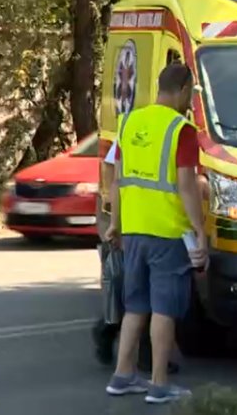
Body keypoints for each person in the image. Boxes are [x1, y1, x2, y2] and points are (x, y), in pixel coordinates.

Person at [103, 63, 207, 404]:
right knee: (164, 309)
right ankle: (159, 384)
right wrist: (199, 230)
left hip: (132, 229)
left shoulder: (129, 122)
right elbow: (187, 186)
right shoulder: (182, 129)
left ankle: (122, 376)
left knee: (135, 306)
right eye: (190, 92)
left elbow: (117, 179)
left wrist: (115, 223)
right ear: (182, 89)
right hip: (167, 231)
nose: (189, 99)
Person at [92, 140, 179, 375]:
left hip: (148, 221)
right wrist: (114, 221)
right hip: (131, 221)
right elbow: (112, 175)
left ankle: (144, 356)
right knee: (137, 291)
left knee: (145, 292)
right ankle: (108, 330)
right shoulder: (135, 131)